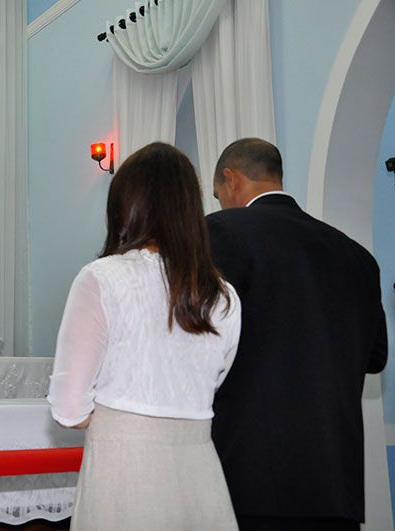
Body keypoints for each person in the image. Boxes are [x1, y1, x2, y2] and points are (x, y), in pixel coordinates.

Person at [48, 142, 242, 530]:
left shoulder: (101, 278)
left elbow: (68, 410)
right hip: (199, 469)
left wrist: (121, 417)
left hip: (125, 470)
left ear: (125, 206)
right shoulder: (222, 295)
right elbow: (214, 380)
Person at [206, 138, 388, 531]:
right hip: (336, 485)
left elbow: (200, 336)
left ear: (230, 179)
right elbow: (376, 358)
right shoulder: (357, 256)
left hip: (250, 476)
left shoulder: (222, 231)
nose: (220, 204)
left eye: (218, 195)